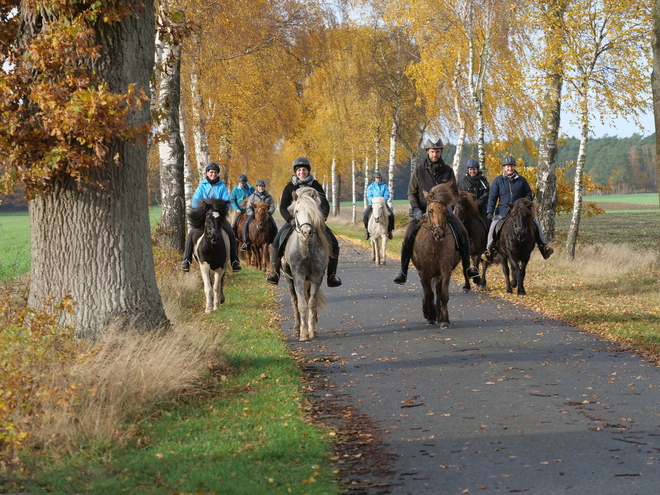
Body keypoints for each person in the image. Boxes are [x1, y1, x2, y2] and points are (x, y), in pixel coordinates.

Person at [393, 138, 480, 285]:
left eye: (438, 151)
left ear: (441, 152)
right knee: (408, 236)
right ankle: (403, 270)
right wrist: (415, 209)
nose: (435, 154)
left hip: (444, 213)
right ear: (428, 152)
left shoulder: (448, 171)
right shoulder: (419, 171)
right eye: (432, 151)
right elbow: (411, 193)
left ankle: (468, 269)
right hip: (422, 213)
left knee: (463, 233)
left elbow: (455, 194)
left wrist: (450, 207)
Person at [266, 157, 342, 287]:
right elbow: (283, 207)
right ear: (296, 172)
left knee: (333, 242)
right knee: (277, 240)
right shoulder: (290, 187)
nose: (302, 172)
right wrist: (290, 220)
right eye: (299, 170)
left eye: (304, 170)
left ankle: (332, 275)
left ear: (308, 171)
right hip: (295, 221)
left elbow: (324, 204)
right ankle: (275, 272)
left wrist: (322, 217)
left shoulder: (316, 186)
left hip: (314, 222)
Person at [482, 155, 554, 262]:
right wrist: (490, 211)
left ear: (514, 167)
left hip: (520, 210)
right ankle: (489, 250)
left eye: (511, 166)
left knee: (535, 223)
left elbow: (528, 193)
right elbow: (492, 197)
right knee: (493, 226)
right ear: (504, 168)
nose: (510, 169)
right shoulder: (498, 180)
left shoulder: (521, 180)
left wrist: (524, 203)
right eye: (507, 167)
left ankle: (544, 247)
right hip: (503, 210)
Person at [181, 162, 242, 273]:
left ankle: (235, 261)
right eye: (211, 172)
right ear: (207, 173)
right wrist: (203, 209)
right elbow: (195, 202)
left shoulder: (222, 186)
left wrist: (220, 209)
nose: (213, 174)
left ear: (218, 174)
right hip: (205, 215)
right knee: (192, 233)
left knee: (231, 233)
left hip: (218, 216)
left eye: (215, 172)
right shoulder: (202, 185)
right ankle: (186, 260)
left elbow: (227, 202)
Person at [241, 180, 277, 251]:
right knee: (246, 223)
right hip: (255, 215)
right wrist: (252, 213)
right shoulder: (253, 196)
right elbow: (248, 206)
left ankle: (274, 241)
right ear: (257, 187)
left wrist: (269, 213)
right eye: (260, 186)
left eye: (262, 186)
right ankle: (246, 242)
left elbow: (272, 207)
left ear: (264, 187)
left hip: (266, 215)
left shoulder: (269, 197)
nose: (261, 188)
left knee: (273, 224)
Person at [363, 171, 395, 240]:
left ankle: (389, 231)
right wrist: (374, 201)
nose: (378, 179)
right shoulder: (370, 187)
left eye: (379, 178)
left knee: (391, 215)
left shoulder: (385, 186)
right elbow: (369, 196)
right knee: (365, 214)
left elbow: (387, 195)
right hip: (373, 204)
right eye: (377, 178)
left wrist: (382, 201)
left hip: (382, 204)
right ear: (374, 179)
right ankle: (367, 231)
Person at [458, 158, 490, 223]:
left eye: (474, 169)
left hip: (480, 210)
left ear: (477, 169)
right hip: (466, 210)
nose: (472, 171)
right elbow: (459, 196)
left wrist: (475, 204)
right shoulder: (463, 182)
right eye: (470, 169)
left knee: (488, 223)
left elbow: (486, 194)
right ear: (468, 170)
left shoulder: (483, 181)